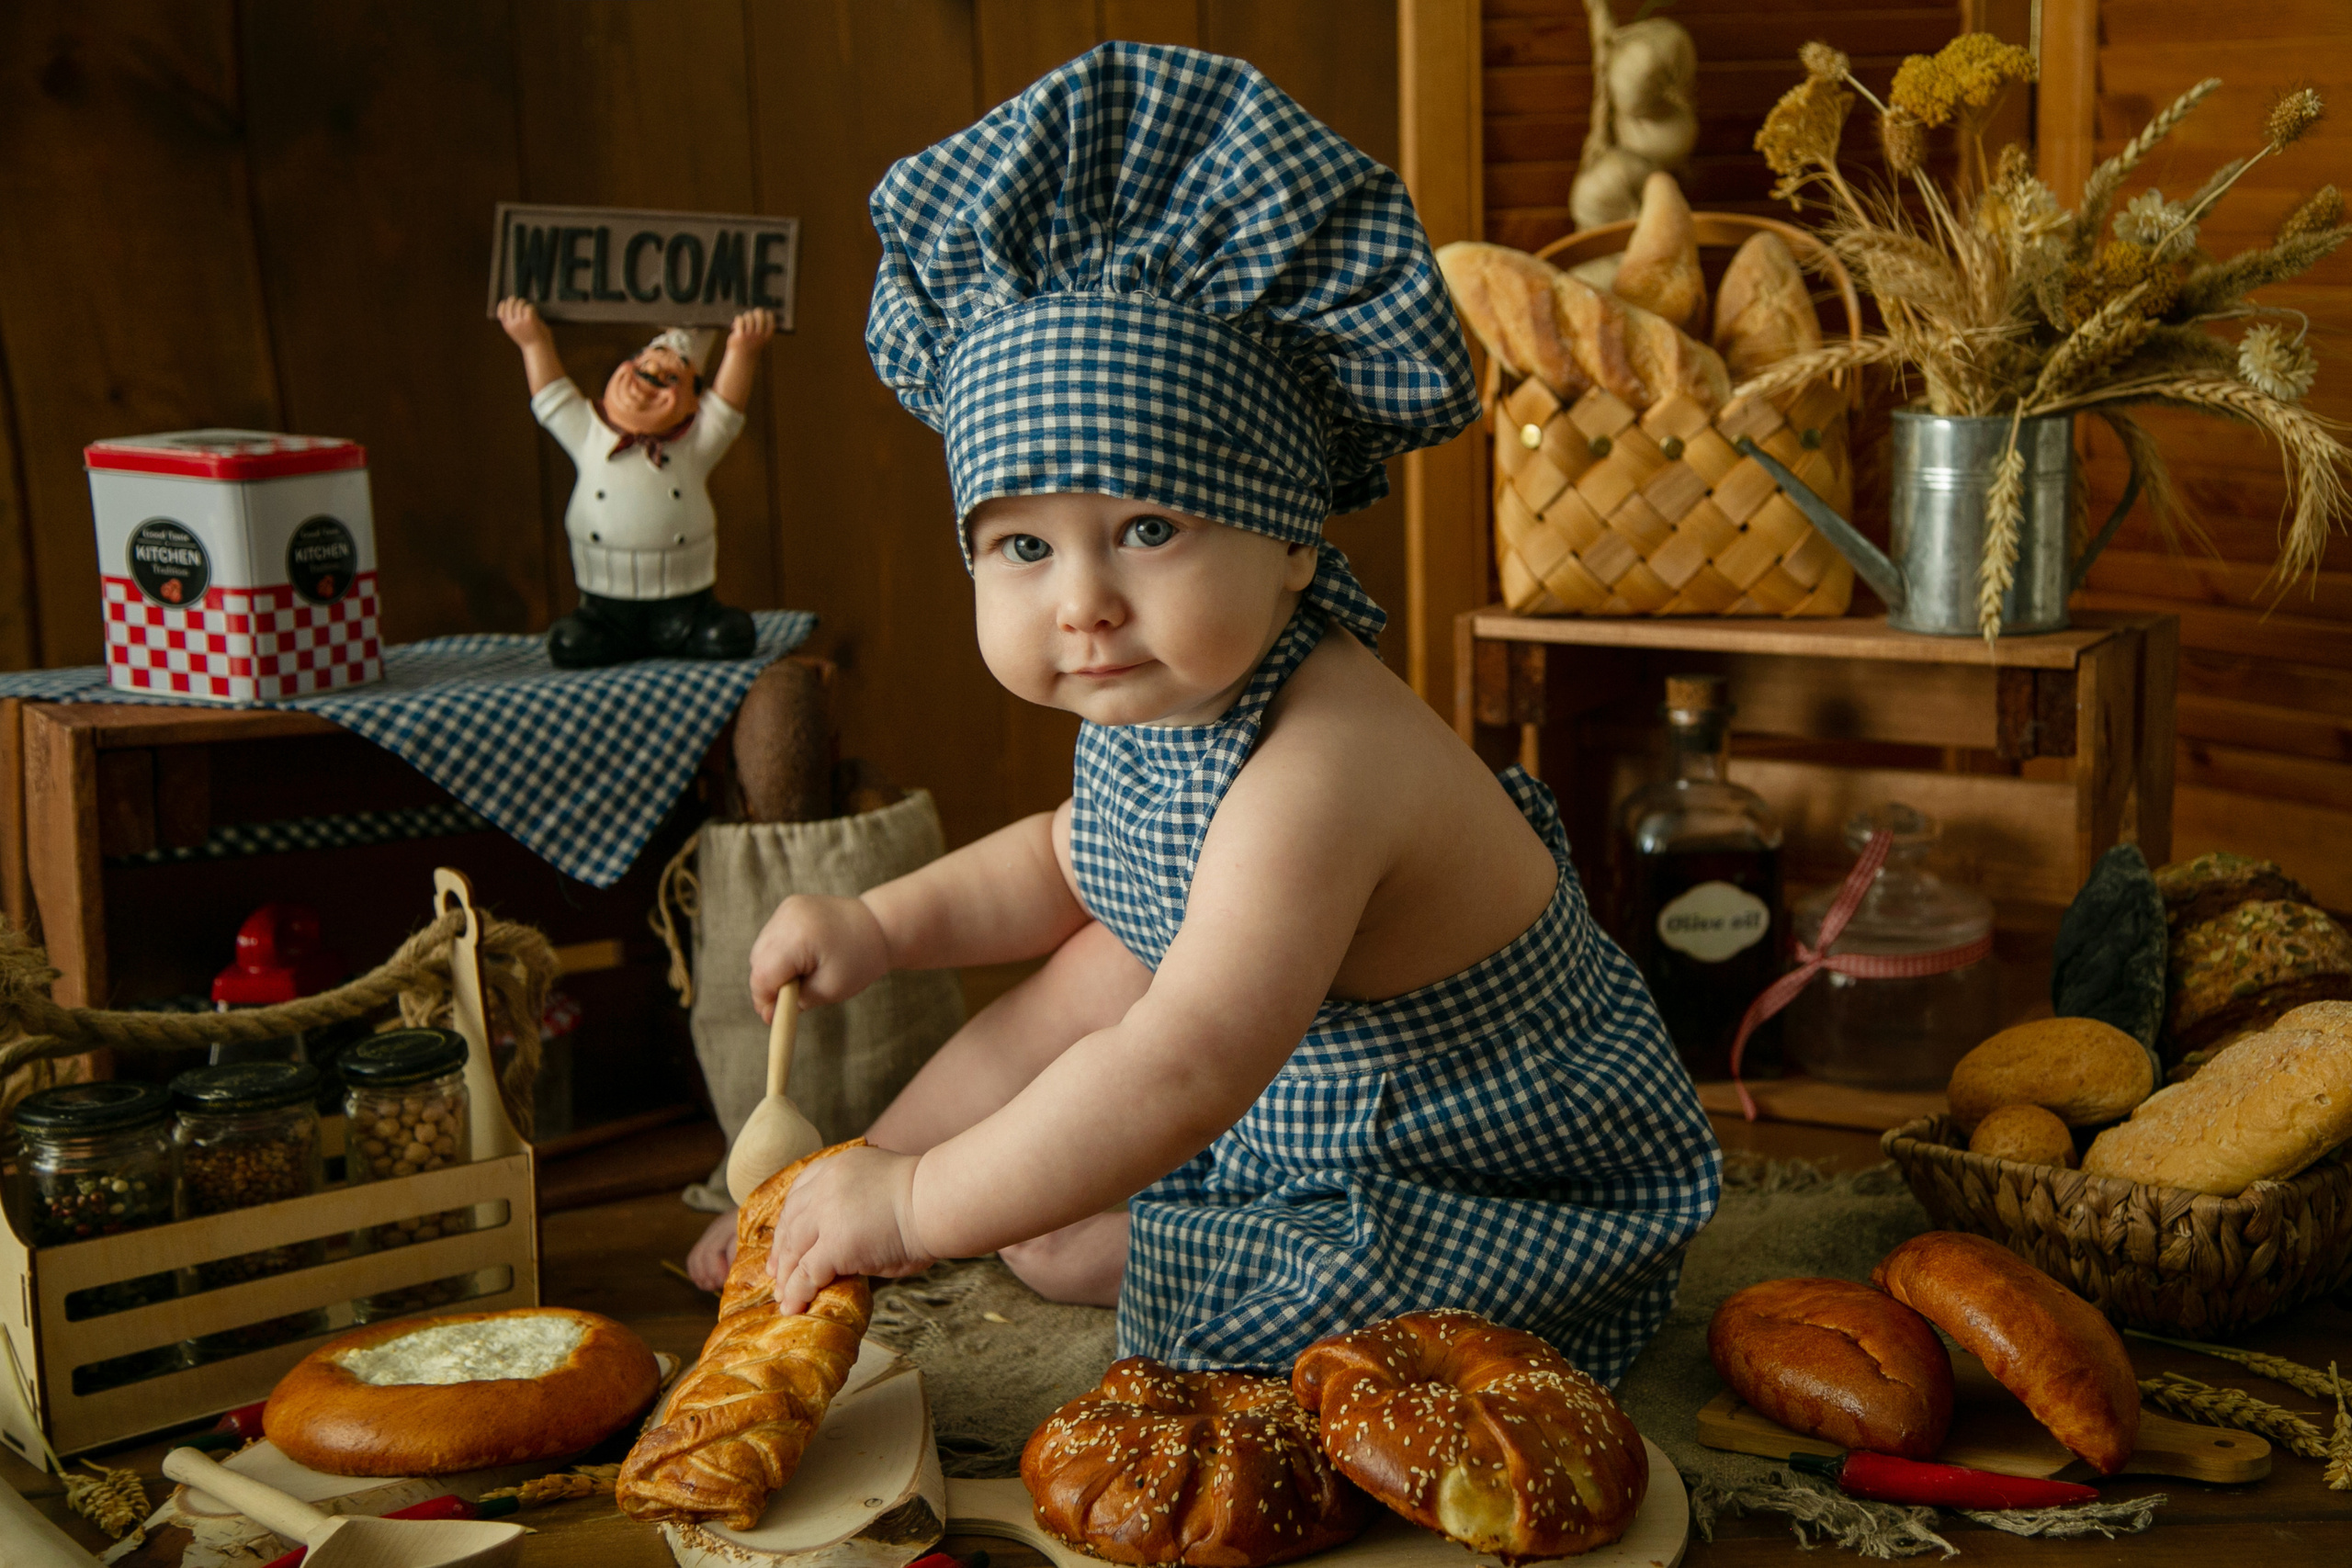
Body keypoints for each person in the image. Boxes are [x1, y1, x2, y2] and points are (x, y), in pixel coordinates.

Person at [687, 42, 1720, 1384]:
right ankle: (858, 1178)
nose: (1084, 603)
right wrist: (877, 982)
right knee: (1095, 975)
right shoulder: (1161, 687)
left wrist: (920, 1207)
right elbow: (1071, 863)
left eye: (1148, 526)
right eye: (1024, 548)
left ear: (1293, 540)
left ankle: (1070, 1219)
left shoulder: (1323, 764)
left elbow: (1184, 1061)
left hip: (1477, 1154)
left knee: (1118, 1229)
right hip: (1304, 1074)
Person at [495, 300, 770, 666]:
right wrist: (534, 343)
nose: (649, 382)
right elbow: (552, 398)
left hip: (685, 600)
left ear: (692, 403)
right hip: (605, 603)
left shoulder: (694, 445)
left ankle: (692, 630)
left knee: (728, 637)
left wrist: (742, 352)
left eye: (669, 380)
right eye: (643, 369)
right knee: (571, 644)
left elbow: (727, 410)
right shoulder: (589, 433)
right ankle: (601, 634)